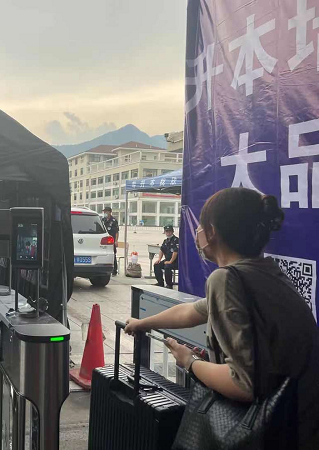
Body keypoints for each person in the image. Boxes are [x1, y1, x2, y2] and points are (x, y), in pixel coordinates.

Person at [125, 188, 319, 448]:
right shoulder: (264, 272)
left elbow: (243, 384)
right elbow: (193, 311)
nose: (197, 233)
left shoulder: (226, 278)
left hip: (276, 432)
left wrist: (190, 361)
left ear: (212, 232)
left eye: (200, 226)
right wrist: (142, 323)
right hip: (302, 421)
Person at [102, 206, 119, 276]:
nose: (105, 213)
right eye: (104, 211)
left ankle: (114, 270)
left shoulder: (114, 221)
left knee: (113, 255)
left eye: (106, 211)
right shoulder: (103, 220)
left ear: (109, 212)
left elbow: (117, 232)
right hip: (103, 240)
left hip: (111, 241)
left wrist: (116, 241)